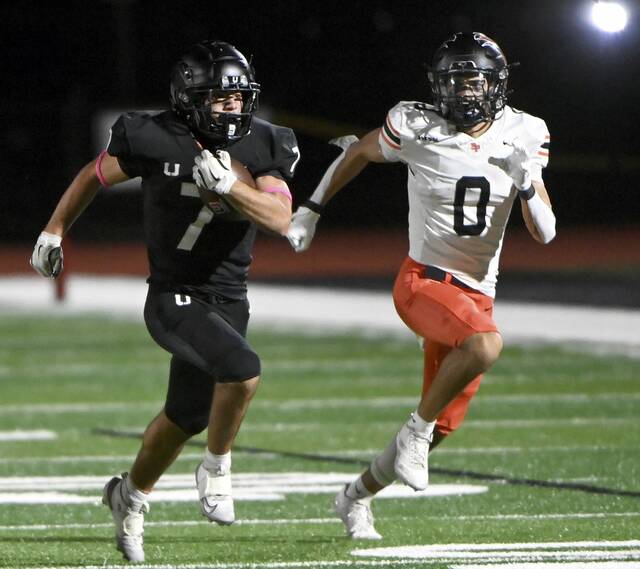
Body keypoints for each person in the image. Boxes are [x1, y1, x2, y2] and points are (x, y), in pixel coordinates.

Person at [30, 40, 299, 562]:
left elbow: (279, 219)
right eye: (221, 98)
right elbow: (94, 174)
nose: (233, 108)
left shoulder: (264, 142)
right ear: (189, 99)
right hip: (172, 294)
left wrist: (231, 187)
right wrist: (54, 229)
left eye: (239, 98)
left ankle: (128, 496)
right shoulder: (154, 137)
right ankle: (216, 469)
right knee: (242, 369)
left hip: (229, 297)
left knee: (184, 417)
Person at [287, 32, 556, 540]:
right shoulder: (415, 124)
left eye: (474, 81)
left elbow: (546, 233)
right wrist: (312, 209)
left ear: (497, 84)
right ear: (437, 86)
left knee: (442, 425)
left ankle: (355, 495)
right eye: (455, 82)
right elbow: (359, 152)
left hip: (477, 295)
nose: (465, 92)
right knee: (485, 346)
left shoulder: (525, 131)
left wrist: (526, 183)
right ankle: (415, 429)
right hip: (423, 282)